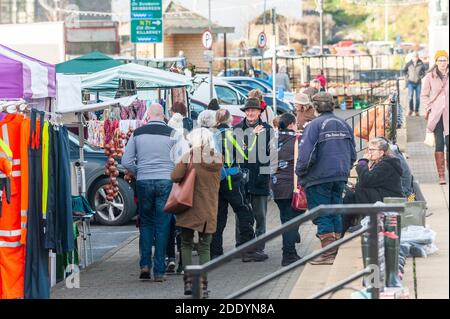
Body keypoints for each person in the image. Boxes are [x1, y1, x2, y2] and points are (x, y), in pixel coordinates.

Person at [122, 103, 186, 282]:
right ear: (163, 116)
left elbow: (126, 161)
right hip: (166, 182)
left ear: (148, 116)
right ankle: (159, 271)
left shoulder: (137, 134)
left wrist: (138, 171)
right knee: (163, 225)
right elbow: (183, 159)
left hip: (143, 182)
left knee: (146, 224)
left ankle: (144, 265)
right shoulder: (174, 134)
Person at [296, 92, 356, 265]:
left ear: (315, 107)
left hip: (319, 177)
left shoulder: (314, 126)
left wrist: (300, 172)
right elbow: (352, 152)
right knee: (335, 210)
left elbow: (306, 155)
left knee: (322, 213)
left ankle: (329, 253)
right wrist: (346, 169)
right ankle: (335, 249)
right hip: (340, 175)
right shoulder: (343, 123)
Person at [171, 128, 222, 298]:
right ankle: (203, 284)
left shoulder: (188, 157)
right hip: (208, 208)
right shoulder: (217, 158)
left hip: (188, 207)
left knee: (186, 243)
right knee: (204, 246)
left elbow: (175, 176)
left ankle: (189, 282)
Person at [210, 109, 261, 261]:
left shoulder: (211, 135)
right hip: (233, 179)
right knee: (244, 213)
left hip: (216, 181)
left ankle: (215, 252)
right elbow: (246, 155)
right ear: (229, 120)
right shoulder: (233, 135)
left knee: (219, 216)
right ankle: (248, 251)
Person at [234, 98, 277, 260]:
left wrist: (265, 176)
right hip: (241, 179)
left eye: (254, 110)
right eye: (248, 110)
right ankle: (241, 245)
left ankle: (259, 246)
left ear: (260, 112)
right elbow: (235, 151)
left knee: (260, 216)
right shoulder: (237, 129)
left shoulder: (268, 130)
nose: (250, 113)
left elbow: (271, 155)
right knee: (241, 215)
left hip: (260, 179)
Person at [342, 138, 404, 236]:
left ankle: (367, 220)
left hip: (389, 199)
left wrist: (363, 162)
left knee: (361, 188)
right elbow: (370, 181)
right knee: (350, 197)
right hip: (380, 196)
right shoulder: (379, 162)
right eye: (368, 149)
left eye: (372, 150)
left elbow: (366, 180)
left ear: (381, 152)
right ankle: (338, 231)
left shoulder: (387, 164)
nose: (369, 152)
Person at [270, 113, 303, 266]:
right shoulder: (296, 141)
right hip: (291, 186)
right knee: (292, 220)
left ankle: (290, 249)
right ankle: (288, 254)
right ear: (291, 124)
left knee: (285, 219)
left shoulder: (272, 140)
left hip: (276, 186)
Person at [421, 50, 449, 185]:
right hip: (436, 115)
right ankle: (441, 175)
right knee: (439, 144)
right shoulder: (430, 77)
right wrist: (429, 108)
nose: (443, 63)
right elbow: (424, 95)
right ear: (436, 62)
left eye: (445, 60)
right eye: (440, 60)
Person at [403, 51, 427, 116]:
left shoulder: (421, 63)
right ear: (412, 57)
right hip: (410, 83)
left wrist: (421, 77)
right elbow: (404, 71)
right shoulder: (409, 63)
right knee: (410, 97)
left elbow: (424, 72)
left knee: (418, 98)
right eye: (414, 57)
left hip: (418, 83)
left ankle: (416, 111)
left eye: (416, 57)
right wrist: (407, 77)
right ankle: (411, 110)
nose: (415, 58)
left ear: (417, 57)